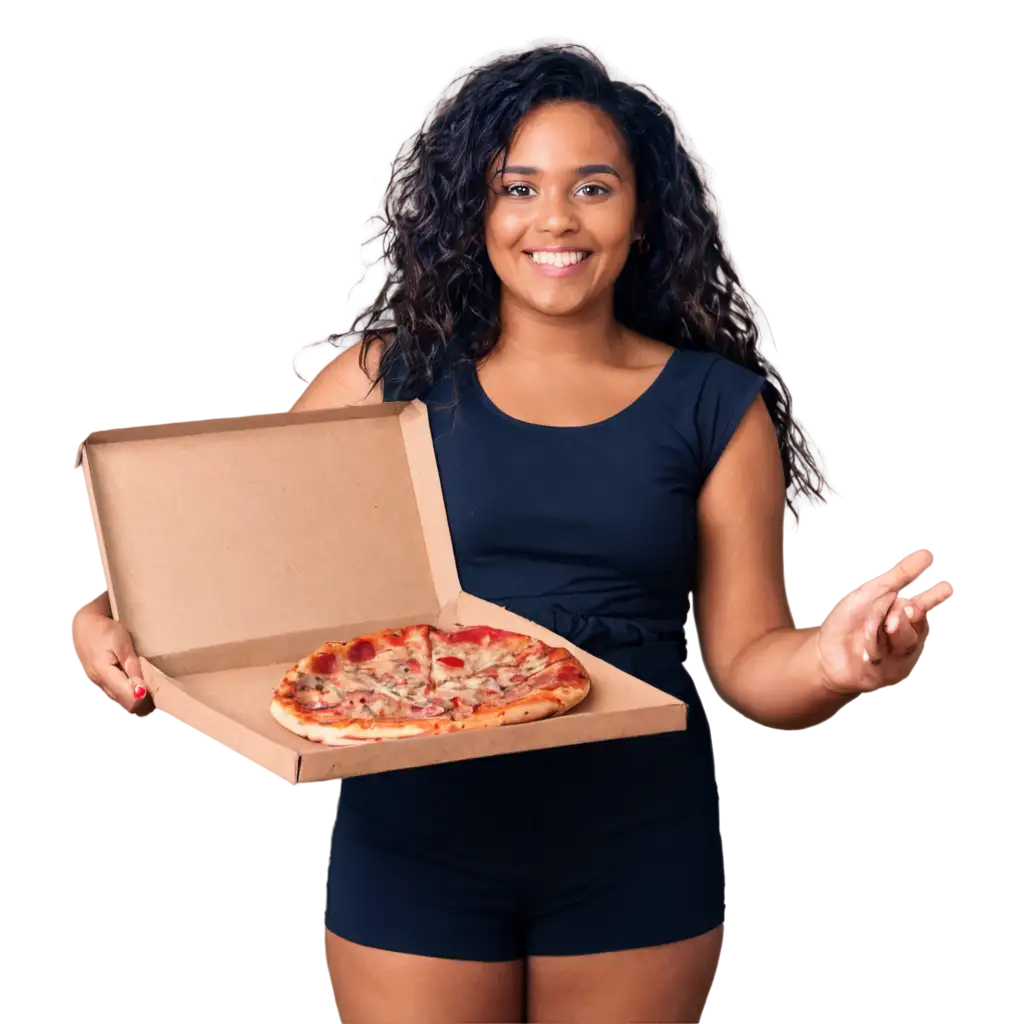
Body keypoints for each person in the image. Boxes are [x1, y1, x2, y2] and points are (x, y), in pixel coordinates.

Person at [70, 48, 952, 1024]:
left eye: (594, 187)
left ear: (643, 211)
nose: (555, 220)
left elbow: (747, 659)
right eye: (517, 187)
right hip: (413, 837)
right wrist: (105, 613)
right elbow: (226, 559)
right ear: (475, 211)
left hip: (636, 840)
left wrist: (831, 660)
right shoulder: (382, 377)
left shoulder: (716, 408)